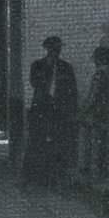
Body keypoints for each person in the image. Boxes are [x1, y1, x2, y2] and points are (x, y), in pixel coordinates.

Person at [22, 36, 78, 186]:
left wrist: (71, 108)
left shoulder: (66, 67)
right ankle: (34, 176)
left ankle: (55, 174)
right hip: (41, 107)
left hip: (59, 109)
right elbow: (35, 82)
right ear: (47, 49)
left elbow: (72, 89)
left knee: (57, 142)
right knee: (37, 141)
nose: (56, 52)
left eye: (58, 49)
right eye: (53, 49)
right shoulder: (38, 65)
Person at [84, 44, 109, 182]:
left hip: (98, 111)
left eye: (96, 58)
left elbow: (94, 94)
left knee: (96, 142)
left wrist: (86, 109)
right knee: (104, 142)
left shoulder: (100, 73)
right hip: (107, 110)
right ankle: (104, 171)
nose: (95, 61)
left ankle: (97, 173)